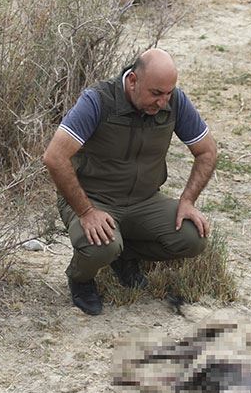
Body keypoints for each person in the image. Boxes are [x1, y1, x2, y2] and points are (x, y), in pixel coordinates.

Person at [42, 48, 218, 316]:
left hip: (144, 200)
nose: (163, 102)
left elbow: (207, 151)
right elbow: (55, 157)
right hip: (93, 198)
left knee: (193, 237)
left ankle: (125, 256)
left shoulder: (175, 102)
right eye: (156, 93)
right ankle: (80, 279)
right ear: (133, 81)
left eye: (168, 93)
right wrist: (87, 212)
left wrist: (187, 201)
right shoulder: (98, 100)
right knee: (101, 246)